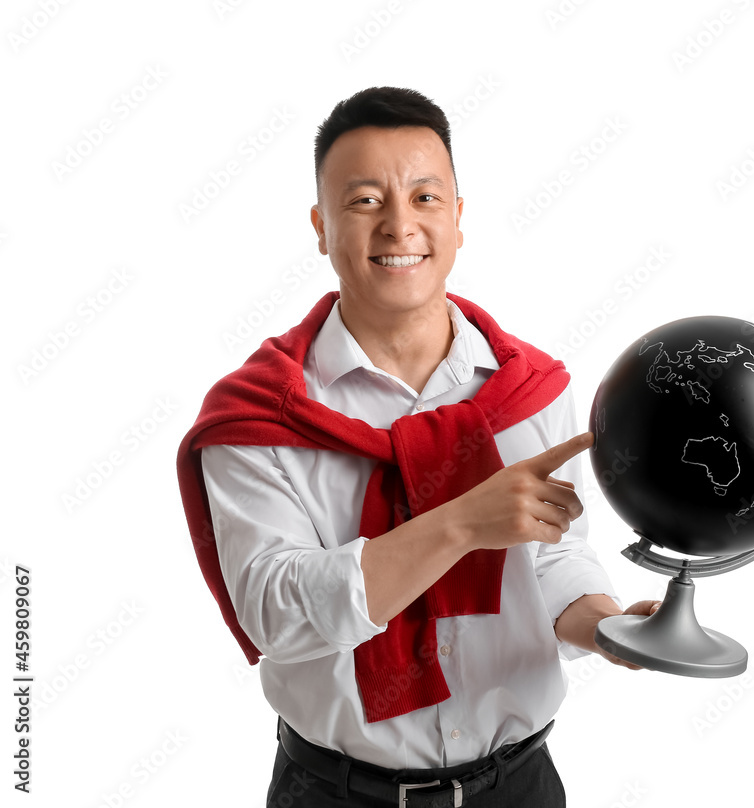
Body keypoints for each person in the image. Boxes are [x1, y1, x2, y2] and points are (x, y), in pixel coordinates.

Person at [177, 86, 657, 807]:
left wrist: (605, 624)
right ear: (320, 225)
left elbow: (552, 554)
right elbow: (276, 614)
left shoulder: (533, 389)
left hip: (519, 787)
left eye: (426, 198)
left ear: (459, 220)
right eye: (365, 200)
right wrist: (464, 522)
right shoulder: (260, 415)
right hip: (335, 794)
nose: (400, 225)